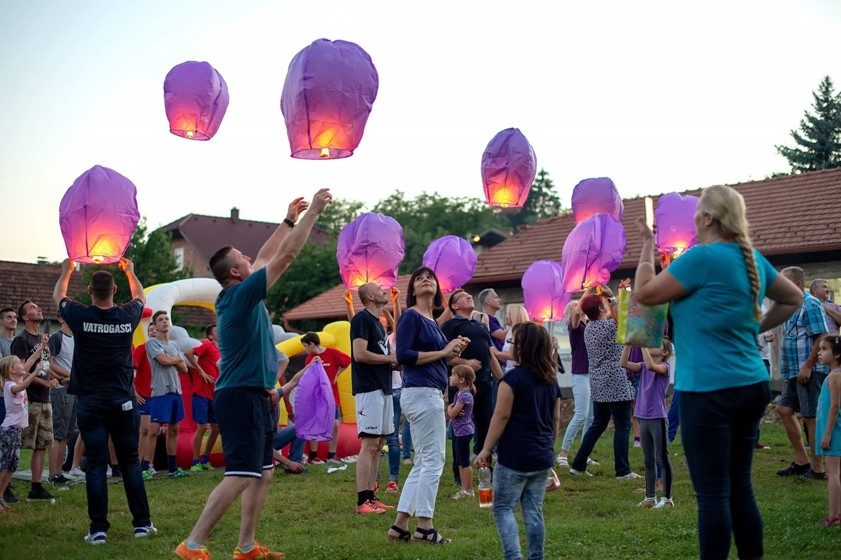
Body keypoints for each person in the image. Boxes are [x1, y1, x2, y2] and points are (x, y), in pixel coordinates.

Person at [633, 184, 803, 560]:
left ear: (708, 218)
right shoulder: (751, 259)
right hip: (751, 385)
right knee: (740, 487)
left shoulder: (701, 259)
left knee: (712, 494)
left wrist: (646, 244)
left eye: (697, 214)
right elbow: (795, 298)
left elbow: (643, 294)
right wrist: (753, 328)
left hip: (707, 390)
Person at [175, 190, 329, 560]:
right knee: (242, 473)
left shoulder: (241, 291)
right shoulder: (239, 296)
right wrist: (315, 213)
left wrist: (289, 220)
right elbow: (286, 256)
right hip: (240, 395)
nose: (250, 259)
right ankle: (192, 544)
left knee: (263, 472)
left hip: (258, 394)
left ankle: (246, 547)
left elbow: (264, 255)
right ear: (234, 272)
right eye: (242, 259)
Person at [54, 258, 155, 544]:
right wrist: (131, 271)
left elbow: (58, 297)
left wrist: (66, 271)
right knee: (131, 463)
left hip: (91, 402)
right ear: (113, 290)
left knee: (97, 466)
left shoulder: (80, 316)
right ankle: (142, 524)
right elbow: (140, 296)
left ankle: (98, 530)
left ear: (89, 290)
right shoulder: (126, 316)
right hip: (123, 401)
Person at [386, 267, 467, 545]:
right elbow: (404, 356)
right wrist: (445, 351)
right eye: (419, 278)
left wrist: (454, 349)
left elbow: (438, 357)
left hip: (427, 393)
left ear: (436, 288)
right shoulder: (410, 316)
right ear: (413, 289)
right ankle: (425, 526)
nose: (425, 280)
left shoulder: (431, 321)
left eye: (430, 277)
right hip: (421, 393)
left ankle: (400, 526)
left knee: (423, 462)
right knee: (433, 461)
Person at [476, 322, 562, 560]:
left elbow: (501, 415)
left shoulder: (511, 380)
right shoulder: (551, 379)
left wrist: (485, 449)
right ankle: (536, 556)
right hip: (542, 456)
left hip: (515, 456)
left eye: (512, 342)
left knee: (503, 508)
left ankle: (513, 556)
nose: (509, 345)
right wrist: (549, 448)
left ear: (522, 348)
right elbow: (555, 420)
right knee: (534, 510)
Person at [570, 288, 638, 479]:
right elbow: (625, 324)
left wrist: (611, 298)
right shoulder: (608, 327)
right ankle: (623, 471)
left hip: (598, 381)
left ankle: (578, 464)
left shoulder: (589, 329)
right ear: (601, 307)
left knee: (598, 424)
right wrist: (613, 297)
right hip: (616, 380)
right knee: (622, 425)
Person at [348, 281, 397, 514]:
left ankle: (372, 497)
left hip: (383, 388)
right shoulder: (361, 319)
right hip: (369, 389)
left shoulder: (378, 323)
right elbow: (359, 354)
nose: (383, 291)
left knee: (379, 445)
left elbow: (382, 357)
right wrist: (391, 359)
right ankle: (361, 502)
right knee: (369, 444)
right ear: (369, 296)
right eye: (379, 289)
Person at [777, 266, 829, 480]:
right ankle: (801, 461)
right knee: (783, 409)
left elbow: (822, 336)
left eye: (784, 282)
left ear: (797, 284)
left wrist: (807, 365)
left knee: (811, 417)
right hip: (793, 371)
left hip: (810, 370)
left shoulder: (810, 304)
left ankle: (818, 469)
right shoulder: (792, 305)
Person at [441, 289, 503, 457]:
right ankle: (459, 470)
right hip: (462, 386)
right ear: (454, 306)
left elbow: (490, 355)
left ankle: (485, 466)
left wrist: (502, 380)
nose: (469, 296)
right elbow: (443, 356)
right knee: (460, 428)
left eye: (469, 295)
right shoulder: (449, 326)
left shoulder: (481, 326)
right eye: (463, 297)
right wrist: (465, 363)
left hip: (485, 383)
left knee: (485, 426)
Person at [10, 300, 58, 502]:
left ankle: (36, 487)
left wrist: (59, 378)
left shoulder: (42, 339)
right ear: (25, 317)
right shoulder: (21, 341)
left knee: (41, 445)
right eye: (32, 308)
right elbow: (20, 370)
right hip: (28, 399)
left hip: (45, 400)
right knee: (18, 444)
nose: (38, 309)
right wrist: (43, 383)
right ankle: (5, 488)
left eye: (38, 307)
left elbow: (46, 365)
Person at [620, 339, 674, 509]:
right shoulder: (643, 366)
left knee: (662, 458)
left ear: (664, 352)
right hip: (643, 417)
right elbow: (623, 363)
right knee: (648, 461)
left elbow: (652, 366)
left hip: (657, 417)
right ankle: (650, 497)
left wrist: (642, 344)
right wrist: (628, 344)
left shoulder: (665, 368)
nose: (651, 345)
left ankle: (667, 499)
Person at [145, 310, 189, 478]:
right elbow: (164, 361)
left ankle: (172, 469)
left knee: (174, 430)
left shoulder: (174, 345)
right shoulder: (152, 343)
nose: (165, 322)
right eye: (161, 320)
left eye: (166, 319)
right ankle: (145, 468)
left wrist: (174, 359)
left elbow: (184, 369)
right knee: (154, 430)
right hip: (161, 391)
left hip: (175, 391)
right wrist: (176, 359)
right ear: (155, 326)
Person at [300, 331, 351, 464]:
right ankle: (314, 456)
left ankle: (331, 455)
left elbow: (347, 361)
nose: (305, 350)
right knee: (314, 424)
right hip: (316, 396)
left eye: (305, 346)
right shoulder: (310, 358)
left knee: (334, 425)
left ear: (312, 344)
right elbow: (306, 375)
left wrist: (337, 375)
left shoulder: (333, 353)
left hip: (332, 395)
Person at [557, 299, 596, 469]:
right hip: (581, 375)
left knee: (591, 418)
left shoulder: (589, 326)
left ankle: (584, 454)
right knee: (580, 415)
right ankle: (563, 453)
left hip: (593, 375)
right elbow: (577, 312)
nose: (580, 307)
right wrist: (586, 291)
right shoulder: (574, 328)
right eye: (576, 306)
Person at [0, 356, 39, 511]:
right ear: (11, 370)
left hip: (16, 431)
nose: (23, 365)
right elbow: (20, 388)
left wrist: (41, 349)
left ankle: (1, 496)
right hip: (8, 431)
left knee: (12, 466)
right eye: (19, 364)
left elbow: (27, 365)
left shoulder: (18, 378)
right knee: (3, 466)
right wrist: (35, 372)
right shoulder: (10, 385)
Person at [185, 324, 221, 472]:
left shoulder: (222, 350)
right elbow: (188, 353)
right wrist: (200, 371)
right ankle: (195, 462)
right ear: (211, 336)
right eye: (216, 331)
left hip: (215, 393)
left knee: (216, 428)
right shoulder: (207, 344)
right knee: (201, 427)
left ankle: (205, 459)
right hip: (201, 392)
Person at [816, 334, 841, 526]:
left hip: (834, 433)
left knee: (832, 473)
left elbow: (834, 406)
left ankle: (834, 516)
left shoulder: (835, 377)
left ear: (837, 354)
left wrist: (827, 434)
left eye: (824, 349)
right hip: (834, 432)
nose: (819, 353)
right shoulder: (833, 375)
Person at [47, 315, 75, 485]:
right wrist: (68, 375)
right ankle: (52, 474)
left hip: (73, 388)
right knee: (57, 432)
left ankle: (59, 472)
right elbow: (49, 363)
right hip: (60, 389)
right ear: (60, 319)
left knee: (66, 432)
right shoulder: (57, 337)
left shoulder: (75, 338)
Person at [448, 364, 476, 500]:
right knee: (459, 460)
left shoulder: (465, 396)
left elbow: (452, 414)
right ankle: (463, 489)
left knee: (465, 462)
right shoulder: (459, 394)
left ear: (462, 380)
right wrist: (452, 408)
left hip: (464, 432)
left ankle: (469, 490)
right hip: (459, 431)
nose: (450, 377)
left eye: (453, 374)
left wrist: (449, 407)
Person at [135, 322, 157, 476]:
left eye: (156, 329)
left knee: (154, 432)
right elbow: (130, 369)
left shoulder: (165, 349)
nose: (154, 331)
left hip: (159, 396)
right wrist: (134, 392)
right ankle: (137, 464)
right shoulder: (142, 348)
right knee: (144, 430)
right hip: (144, 396)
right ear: (148, 333)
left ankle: (149, 463)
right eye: (151, 329)